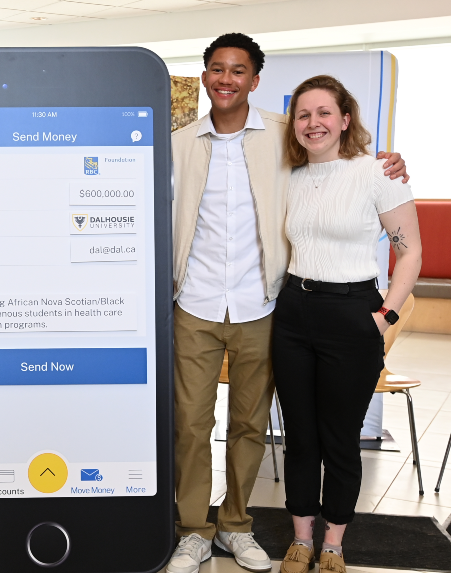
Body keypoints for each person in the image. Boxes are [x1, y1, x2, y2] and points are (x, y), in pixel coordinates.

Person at [167, 33, 409, 573]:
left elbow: (340, 160)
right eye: (216, 69)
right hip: (196, 305)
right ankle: (193, 531)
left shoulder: (287, 135)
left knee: (251, 424)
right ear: (205, 76)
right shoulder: (178, 143)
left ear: (255, 81)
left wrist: (388, 165)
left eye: (238, 71)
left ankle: (235, 524)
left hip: (263, 306)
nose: (226, 79)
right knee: (189, 424)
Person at [273, 75, 421, 573]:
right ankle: (300, 537)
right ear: (293, 124)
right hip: (293, 312)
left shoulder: (378, 173)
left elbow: (411, 252)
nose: (313, 123)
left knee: (339, 438)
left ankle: (333, 542)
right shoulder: (287, 175)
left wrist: (385, 318)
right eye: (303, 115)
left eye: (323, 113)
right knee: (300, 437)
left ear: (345, 119)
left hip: (353, 314)